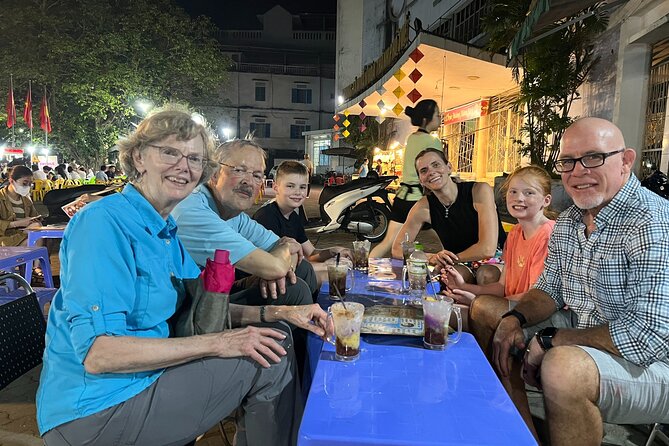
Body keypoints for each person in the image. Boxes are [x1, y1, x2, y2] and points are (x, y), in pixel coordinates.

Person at [36, 107, 329, 446]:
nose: (183, 166)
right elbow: (100, 355)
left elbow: (199, 309)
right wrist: (220, 343)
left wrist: (281, 313)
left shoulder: (166, 229)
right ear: (138, 157)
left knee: (276, 335)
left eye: (193, 158)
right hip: (96, 409)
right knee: (270, 359)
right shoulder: (103, 223)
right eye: (170, 152)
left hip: (149, 380)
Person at [492, 117, 669, 445]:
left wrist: (551, 340)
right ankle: (524, 435)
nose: (578, 171)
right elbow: (549, 289)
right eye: (568, 161)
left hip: (656, 364)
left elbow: (648, 337)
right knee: (491, 316)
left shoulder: (650, 221)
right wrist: (514, 318)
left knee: (564, 367)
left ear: (625, 161)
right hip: (590, 328)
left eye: (593, 158)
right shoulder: (571, 219)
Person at [172, 139, 318, 306]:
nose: (248, 182)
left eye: (256, 175)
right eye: (239, 170)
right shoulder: (193, 210)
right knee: (293, 288)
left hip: (213, 293)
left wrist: (278, 265)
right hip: (188, 308)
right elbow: (277, 264)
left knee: (301, 269)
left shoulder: (234, 214)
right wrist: (275, 268)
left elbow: (292, 248)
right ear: (214, 174)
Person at [391, 148, 507, 285]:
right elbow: (397, 248)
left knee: (486, 274)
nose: (431, 172)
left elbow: (487, 249)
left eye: (436, 165)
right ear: (421, 180)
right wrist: (431, 257)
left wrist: (449, 259)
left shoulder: (479, 191)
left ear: (449, 167)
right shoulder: (423, 207)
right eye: (424, 170)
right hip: (460, 263)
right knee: (452, 278)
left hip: (495, 259)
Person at [253, 161, 351, 284]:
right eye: (290, 186)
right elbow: (279, 265)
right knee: (330, 275)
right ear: (276, 188)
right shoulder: (266, 217)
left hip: (288, 274)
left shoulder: (294, 217)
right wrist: (327, 266)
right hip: (266, 281)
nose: (298, 192)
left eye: (302, 187)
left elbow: (311, 253)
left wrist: (333, 251)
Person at [370, 99, 441, 258]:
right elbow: (439, 173)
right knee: (448, 238)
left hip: (403, 198)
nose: (440, 118)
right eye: (437, 115)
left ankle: (364, 267)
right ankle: (459, 271)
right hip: (420, 201)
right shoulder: (433, 141)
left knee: (388, 242)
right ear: (426, 120)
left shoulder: (412, 138)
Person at [0, 165, 42, 246]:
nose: (28, 187)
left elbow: (35, 217)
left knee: (37, 229)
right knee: (35, 240)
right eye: (25, 183)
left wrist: (34, 220)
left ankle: (36, 257)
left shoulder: (26, 200)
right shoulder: (1, 198)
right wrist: (17, 223)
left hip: (22, 235)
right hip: (5, 238)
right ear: (12, 181)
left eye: (30, 184)